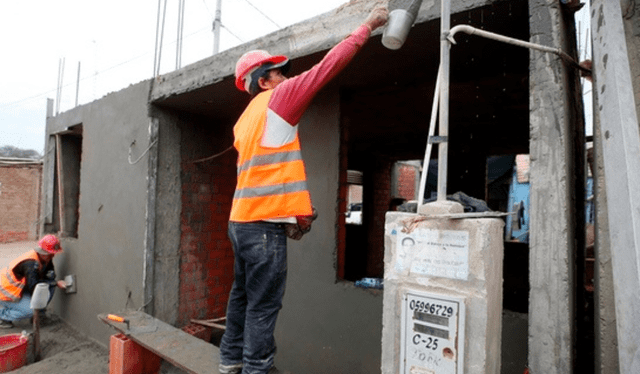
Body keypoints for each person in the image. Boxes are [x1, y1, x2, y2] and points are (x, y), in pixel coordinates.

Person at [219, 3, 389, 374]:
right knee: (264, 304)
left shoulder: (244, 120)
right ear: (263, 80)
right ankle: (256, 369)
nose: (286, 80)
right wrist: (368, 26)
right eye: (279, 74)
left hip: (241, 223)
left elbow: (268, 174)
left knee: (242, 296)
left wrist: (294, 209)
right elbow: (327, 68)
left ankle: (229, 362)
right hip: (262, 229)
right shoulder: (278, 100)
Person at [0, 235, 66, 328]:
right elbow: (34, 287)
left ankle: (39, 315)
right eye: (52, 253)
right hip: (5, 293)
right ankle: (3, 317)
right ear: (44, 253)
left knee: (49, 285)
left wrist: (52, 282)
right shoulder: (30, 263)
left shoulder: (45, 259)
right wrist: (55, 283)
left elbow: (49, 277)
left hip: (19, 289)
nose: (53, 255)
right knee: (29, 311)